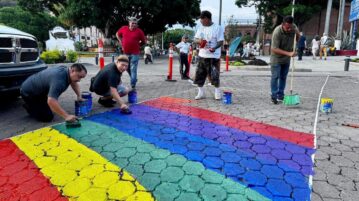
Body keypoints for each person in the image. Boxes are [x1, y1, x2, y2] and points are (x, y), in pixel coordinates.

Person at [21, 64, 87, 122]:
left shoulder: (66, 70)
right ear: (72, 70)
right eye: (79, 76)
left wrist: (79, 96)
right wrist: (66, 116)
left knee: (53, 108)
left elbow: (74, 82)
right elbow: (51, 100)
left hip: (38, 88)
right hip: (29, 93)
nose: (79, 80)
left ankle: (36, 105)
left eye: (81, 77)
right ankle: (29, 106)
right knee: (47, 117)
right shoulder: (59, 81)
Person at [193, 10, 224, 100]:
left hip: (213, 56)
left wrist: (214, 48)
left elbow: (221, 41)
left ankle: (217, 92)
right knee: (199, 75)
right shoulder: (201, 27)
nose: (201, 22)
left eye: (202, 20)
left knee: (214, 75)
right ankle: (201, 92)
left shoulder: (217, 28)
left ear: (206, 19)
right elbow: (195, 39)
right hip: (202, 55)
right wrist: (199, 41)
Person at [270, 15, 300, 104]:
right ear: (282, 24)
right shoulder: (277, 32)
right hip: (276, 58)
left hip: (286, 59)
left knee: (283, 77)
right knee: (275, 77)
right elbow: (274, 48)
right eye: (287, 28)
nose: (289, 29)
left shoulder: (293, 27)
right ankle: (274, 96)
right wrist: (289, 53)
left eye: (290, 27)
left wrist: (298, 34)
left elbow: (297, 38)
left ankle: (281, 95)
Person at [116, 16, 146, 91]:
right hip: (125, 53)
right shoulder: (124, 28)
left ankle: (133, 85)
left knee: (133, 69)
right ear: (129, 23)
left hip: (135, 53)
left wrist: (138, 45)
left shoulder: (139, 31)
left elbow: (144, 41)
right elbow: (117, 34)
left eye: (135, 24)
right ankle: (134, 79)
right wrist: (120, 41)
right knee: (126, 68)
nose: (134, 25)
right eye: (132, 23)